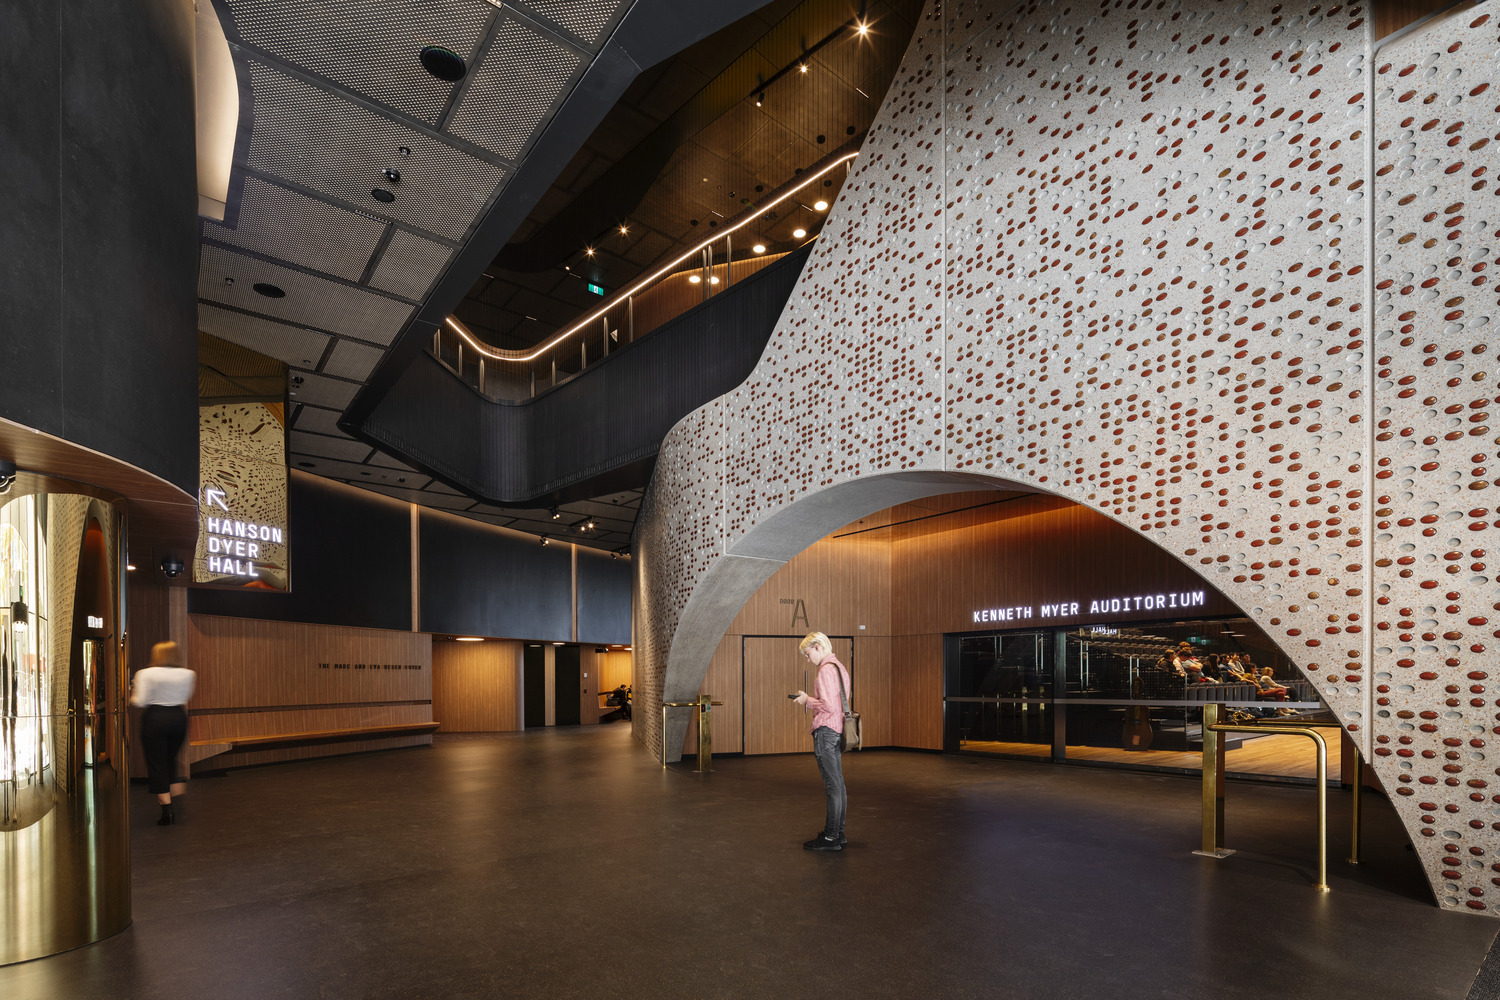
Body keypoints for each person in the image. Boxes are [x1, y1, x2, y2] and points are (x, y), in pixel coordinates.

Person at [792, 631, 851, 852]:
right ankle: (838, 834)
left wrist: (807, 700)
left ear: (817, 646)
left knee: (833, 786)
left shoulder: (825, 670)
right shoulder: (839, 667)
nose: (808, 659)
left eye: (808, 654)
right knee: (838, 785)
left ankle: (830, 837)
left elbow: (828, 705)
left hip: (825, 731)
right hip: (837, 730)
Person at [131, 640, 196, 826]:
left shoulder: (145, 674)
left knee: (157, 763)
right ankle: (175, 792)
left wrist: (132, 691)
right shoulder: (188, 674)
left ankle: (167, 811)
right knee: (170, 758)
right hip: (178, 717)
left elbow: (140, 701)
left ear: (156, 655)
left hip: (155, 718)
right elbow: (186, 696)